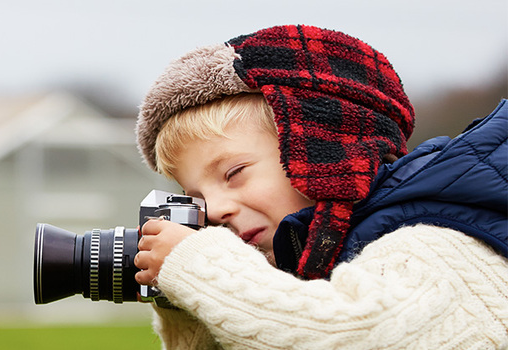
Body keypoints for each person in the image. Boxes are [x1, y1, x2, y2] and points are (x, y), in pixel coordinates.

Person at [131, 24, 508, 349]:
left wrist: (201, 269)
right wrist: (185, 301)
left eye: (234, 173)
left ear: (323, 146)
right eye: (196, 197)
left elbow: (356, 337)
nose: (213, 210)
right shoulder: (314, 264)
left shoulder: (434, 242)